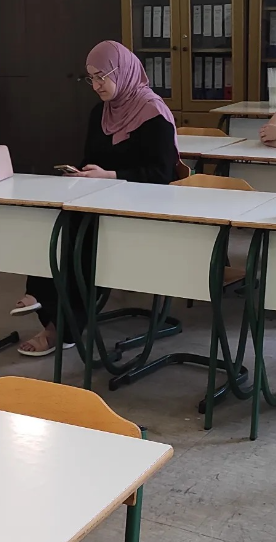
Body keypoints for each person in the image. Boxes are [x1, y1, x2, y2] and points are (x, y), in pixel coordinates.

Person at [14, 39, 179, 357]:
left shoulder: (152, 112)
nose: (96, 85)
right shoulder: (101, 113)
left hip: (143, 205)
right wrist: (81, 173)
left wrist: (111, 176)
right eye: (91, 78)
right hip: (102, 199)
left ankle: (58, 325)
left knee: (82, 237)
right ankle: (42, 295)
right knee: (52, 219)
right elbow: (92, 159)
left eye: (103, 76)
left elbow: (162, 174)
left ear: (123, 71)